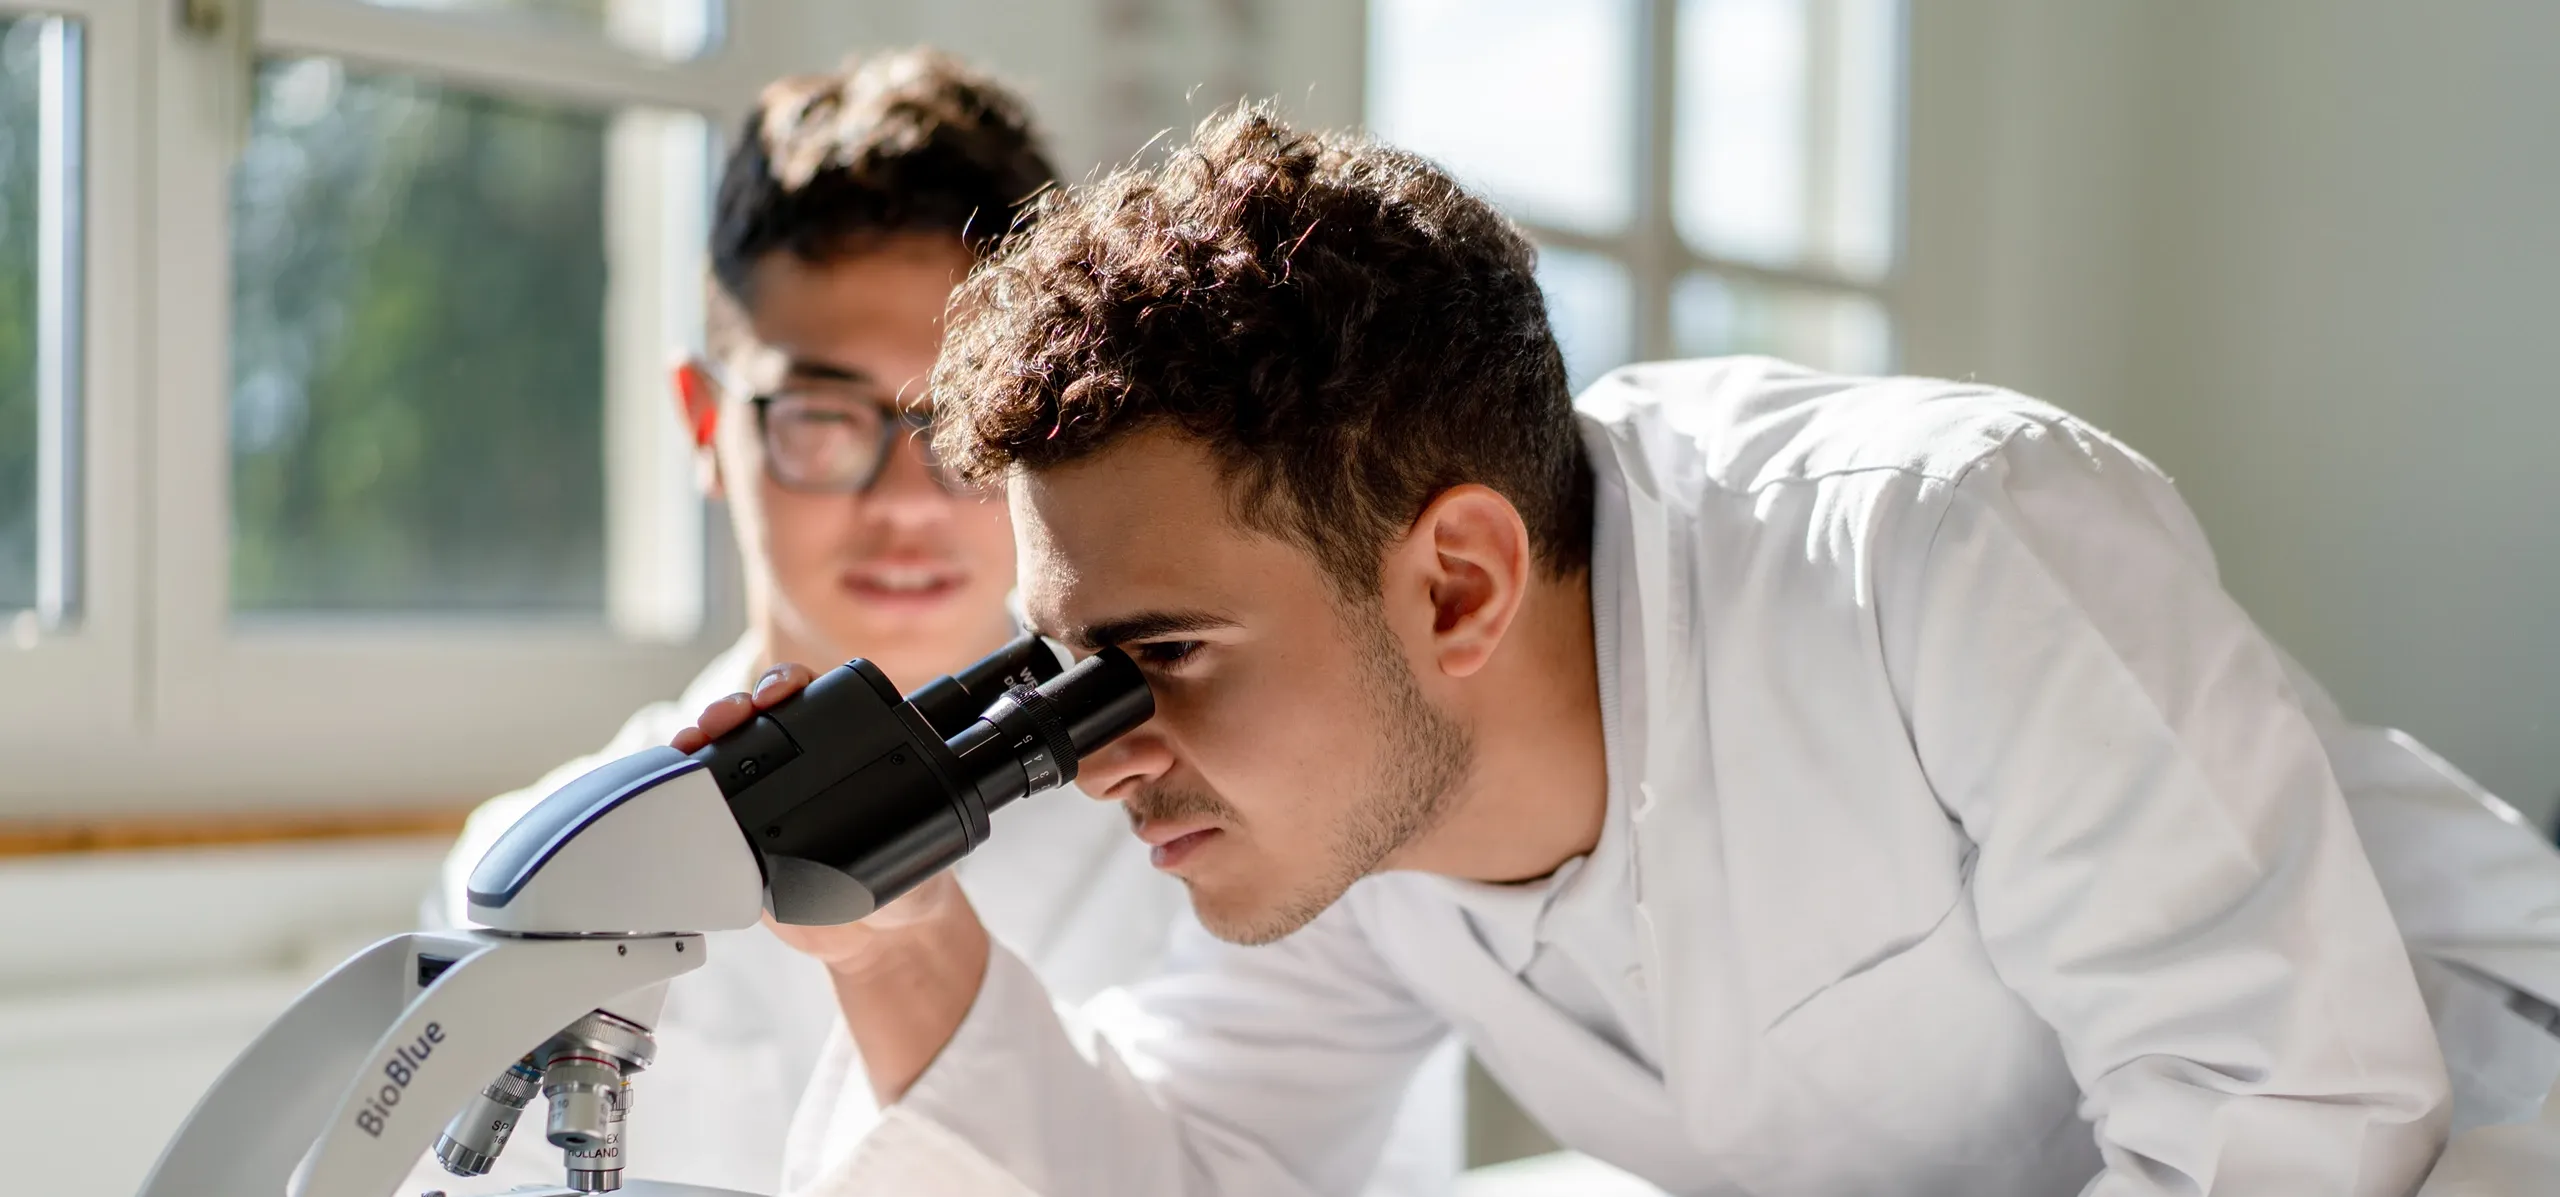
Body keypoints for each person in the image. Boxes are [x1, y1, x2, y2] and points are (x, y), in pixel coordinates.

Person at [695, 106, 2560, 1195]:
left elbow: (2288, 1133)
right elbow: (1187, 1162)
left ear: (1455, 586)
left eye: (1156, 653)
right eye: (1065, 665)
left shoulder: (1937, 543)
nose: (1102, 755)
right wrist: (908, 934)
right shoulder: (1349, 791)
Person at [422, 62, 1460, 1195]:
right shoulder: (541, 861)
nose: (904, 502)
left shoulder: (1243, 806)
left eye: (952, 425)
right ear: (706, 423)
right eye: (822, 420)